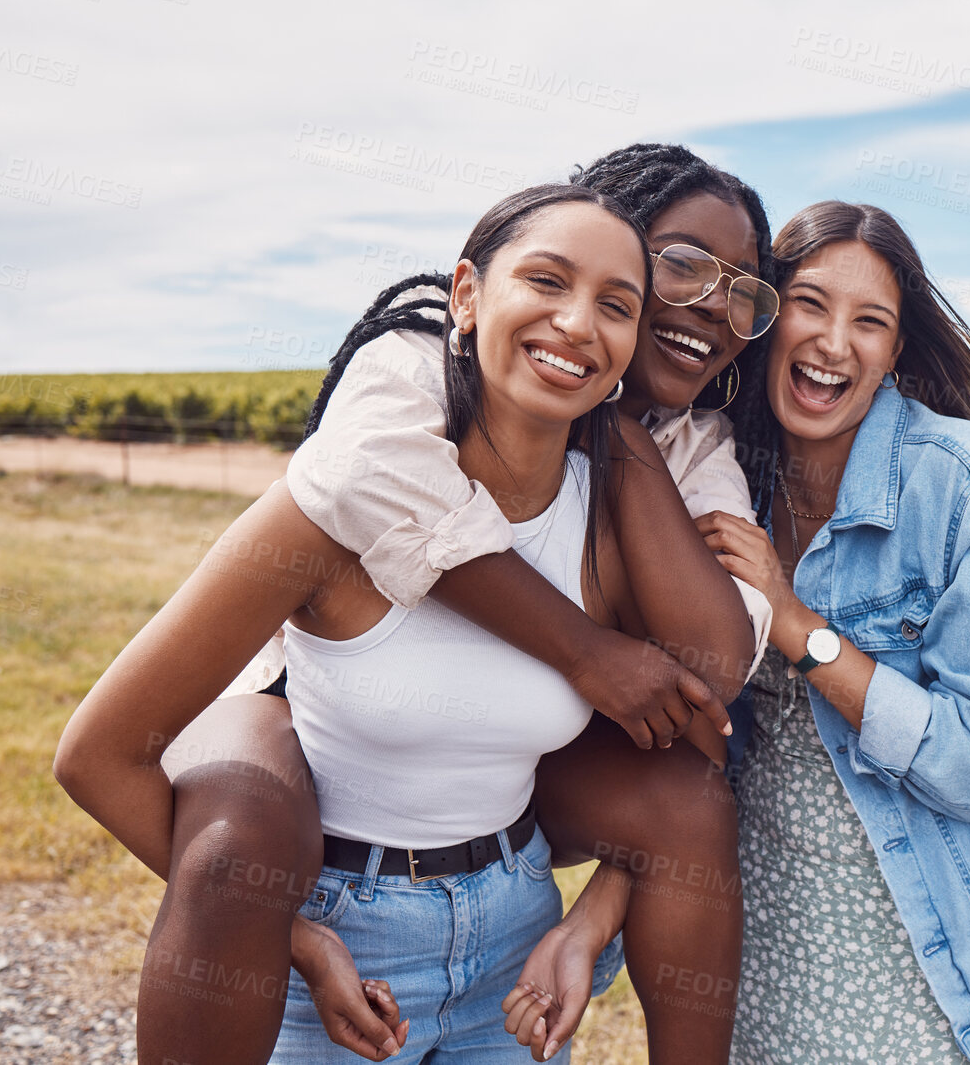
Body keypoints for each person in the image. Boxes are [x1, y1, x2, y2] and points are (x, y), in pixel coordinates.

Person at [82, 144, 778, 1065]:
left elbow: (713, 670)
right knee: (241, 822)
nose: (705, 305)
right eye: (679, 266)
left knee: (690, 800)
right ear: (470, 293)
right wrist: (586, 651)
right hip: (318, 780)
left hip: (502, 894)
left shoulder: (672, 451)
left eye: (617, 303)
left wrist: (620, 438)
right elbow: (360, 475)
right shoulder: (406, 380)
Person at [692, 201, 970, 1063]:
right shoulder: (725, 469)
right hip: (760, 933)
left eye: (870, 322)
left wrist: (796, 624)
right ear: (764, 313)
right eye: (811, 304)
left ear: (896, 351)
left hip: (918, 946)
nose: (834, 342)